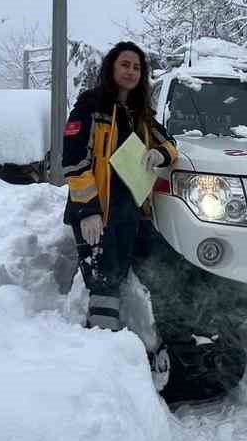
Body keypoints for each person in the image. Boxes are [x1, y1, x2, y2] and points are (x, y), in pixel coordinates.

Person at [61, 41, 178, 339]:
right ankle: (102, 335)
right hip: (98, 208)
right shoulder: (91, 104)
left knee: (157, 263)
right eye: (125, 64)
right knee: (105, 271)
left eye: (137, 67)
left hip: (132, 208)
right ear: (111, 67)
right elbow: (74, 160)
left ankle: (162, 331)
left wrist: (159, 154)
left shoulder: (140, 114)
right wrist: (88, 210)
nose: (131, 71)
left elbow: (169, 144)